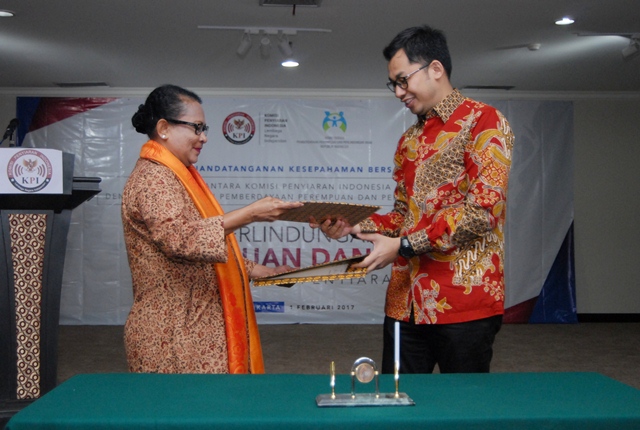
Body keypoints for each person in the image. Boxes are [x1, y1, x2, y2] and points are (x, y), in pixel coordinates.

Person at [313, 25, 514, 374]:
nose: (398, 92)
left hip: (463, 300)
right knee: (396, 397)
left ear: (435, 69)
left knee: (462, 402)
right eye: (393, 84)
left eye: (403, 80)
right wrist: (353, 225)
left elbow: (483, 213)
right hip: (404, 302)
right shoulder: (409, 139)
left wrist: (403, 246)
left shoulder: (483, 121)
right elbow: (404, 216)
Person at [122, 84, 302, 374]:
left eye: (204, 128)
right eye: (196, 128)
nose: (203, 137)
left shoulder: (177, 175)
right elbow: (180, 239)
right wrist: (250, 214)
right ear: (164, 128)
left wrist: (262, 272)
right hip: (174, 337)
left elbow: (201, 252)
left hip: (195, 331)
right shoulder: (154, 177)